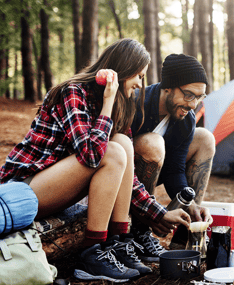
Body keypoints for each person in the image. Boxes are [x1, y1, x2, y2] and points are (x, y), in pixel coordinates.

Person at [0, 38, 165, 282]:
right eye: (138, 76)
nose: (141, 84)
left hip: (53, 186)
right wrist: (108, 103)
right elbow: (91, 156)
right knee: (113, 151)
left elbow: (126, 174)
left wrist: (157, 213)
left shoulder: (115, 102)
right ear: (124, 70)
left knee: (123, 144)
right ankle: (92, 255)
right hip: (22, 189)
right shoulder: (73, 92)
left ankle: (117, 243)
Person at [129, 53, 215, 260]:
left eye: (199, 97)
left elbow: (176, 170)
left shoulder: (186, 119)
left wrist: (191, 204)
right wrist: (153, 213)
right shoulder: (135, 104)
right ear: (167, 87)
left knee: (205, 138)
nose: (193, 104)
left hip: (154, 172)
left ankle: (187, 234)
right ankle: (138, 233)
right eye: (189, 95)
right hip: (121, 179)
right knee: (152, 143)